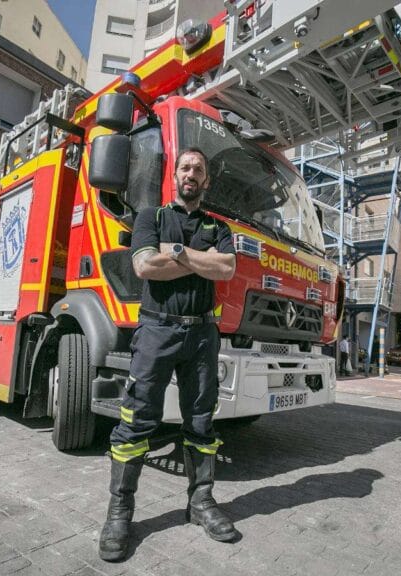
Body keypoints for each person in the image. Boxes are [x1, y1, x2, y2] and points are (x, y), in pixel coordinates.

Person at [98, 148, 238, 562]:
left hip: (202, 335)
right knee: (137, 420)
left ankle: (201, 504)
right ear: (174, 176)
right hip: (157, 330)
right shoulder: (151, 218)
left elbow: (227, 269)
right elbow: (143, 267)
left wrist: (175, 253)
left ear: (206, 181)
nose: (191, 174)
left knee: (202, 421)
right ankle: (120, 512)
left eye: (199, 169)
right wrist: (202, 261)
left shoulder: (218, 226)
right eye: (186, 168)